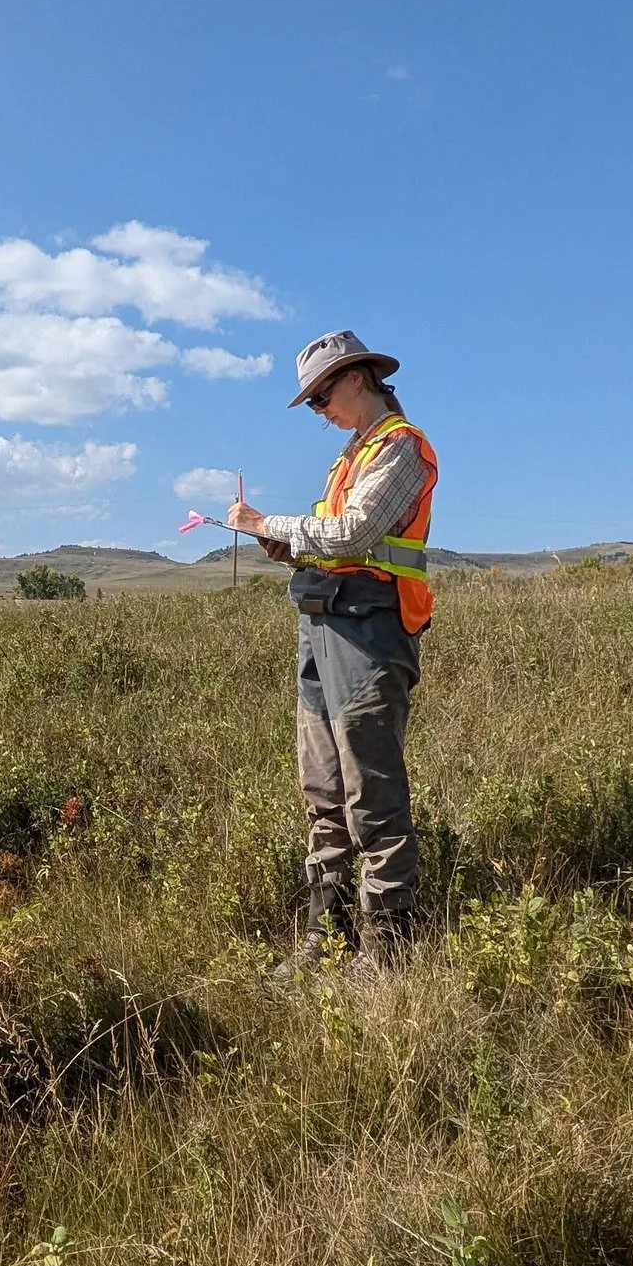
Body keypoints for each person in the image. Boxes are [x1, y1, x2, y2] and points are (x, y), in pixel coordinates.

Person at [226, 330, 438, 972]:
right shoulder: (351, 457)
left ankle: (387, 954)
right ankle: (326, 939)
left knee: (371, 793)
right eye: (312, 402)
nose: (320, 411)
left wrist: (269, 525)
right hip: (321, 627)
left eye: (322, 395)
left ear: (358, 377)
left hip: (371, 634)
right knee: (323, 791)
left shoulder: (402, 449)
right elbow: (332, 541)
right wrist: (287, 546)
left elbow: (351, 535)